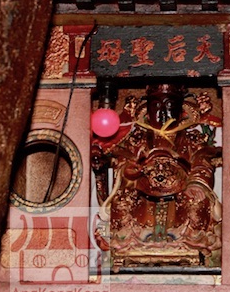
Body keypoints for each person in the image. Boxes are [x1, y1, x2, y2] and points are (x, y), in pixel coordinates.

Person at [92, 83, 222, 268]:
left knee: (198, 202)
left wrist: (196, 183)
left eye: (169, 106)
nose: (163, 113)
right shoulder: (137, 138)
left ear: (180, 111)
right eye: (157, 107)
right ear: (148, 110)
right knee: (121, 203)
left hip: (182, 192)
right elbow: (124, 159)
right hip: (142, 192)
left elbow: (202, 159)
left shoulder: (191, 138)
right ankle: (123, 245)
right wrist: (131, 171)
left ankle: (194, 243)